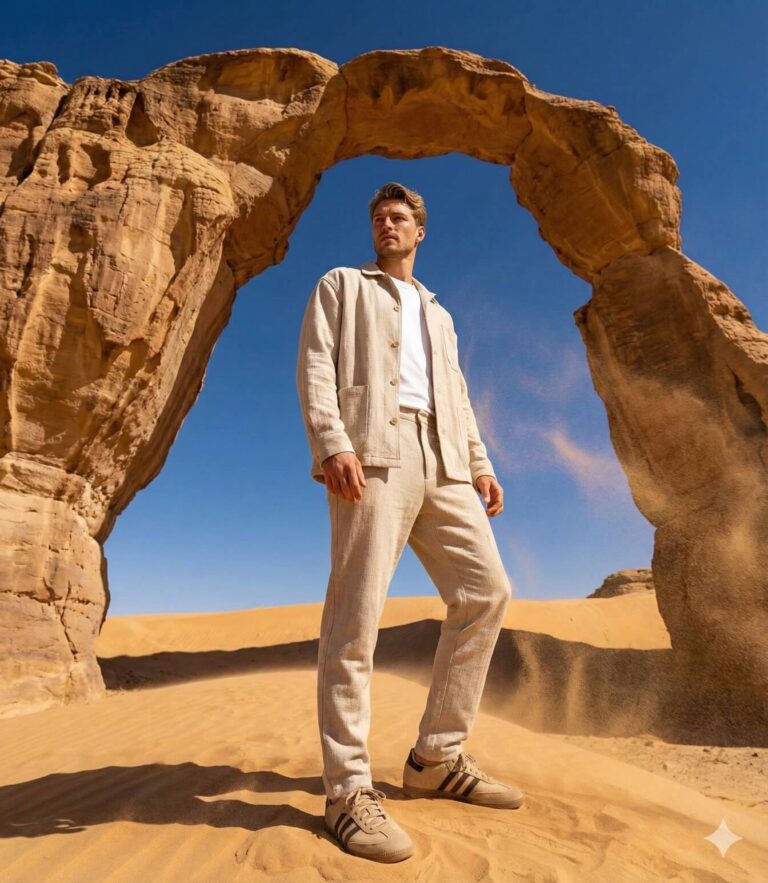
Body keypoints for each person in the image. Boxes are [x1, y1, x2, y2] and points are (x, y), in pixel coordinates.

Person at [295, 181, 524, 864]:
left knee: (486, 591)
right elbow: (316, 365)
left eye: (398, 217)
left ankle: (436, 758)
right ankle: (346, 791)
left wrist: (479, 462)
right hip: (373, 449)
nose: (387, 225)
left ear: (420, 232)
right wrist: (332, 442)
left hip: (445, 458)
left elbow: (457, 394)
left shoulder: (440, 314)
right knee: (356, 616)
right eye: (379, 217)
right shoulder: (341, 284)